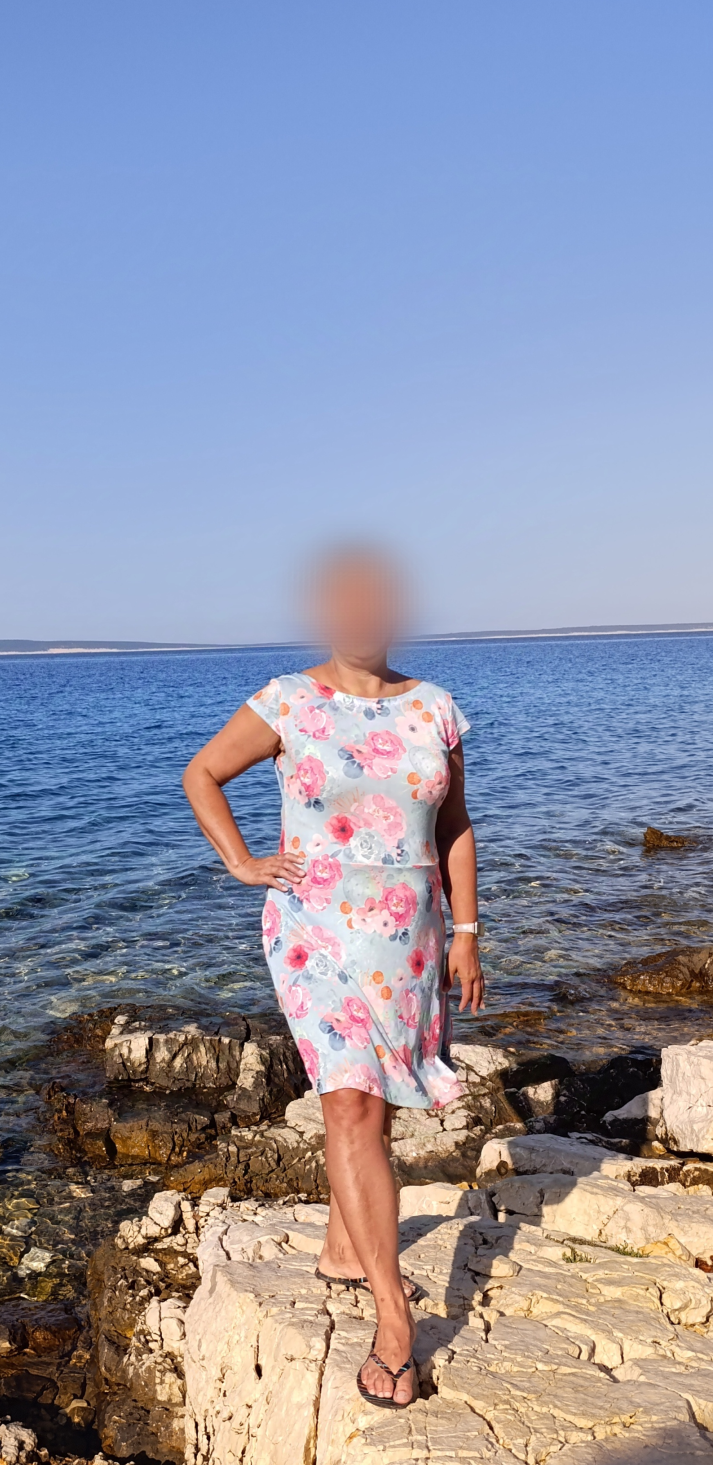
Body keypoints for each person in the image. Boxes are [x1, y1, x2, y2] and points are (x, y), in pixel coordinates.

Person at [182, 547, 484, 1409]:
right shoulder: (288, 700)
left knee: (376, 1110)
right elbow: (202, 774)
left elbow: (454, 825)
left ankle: (346, 1250)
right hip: (315, 936)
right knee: (349, 1104)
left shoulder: (434, 707)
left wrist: (467, 933)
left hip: (410, 942)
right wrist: (242, 862)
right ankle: (394, 1321)